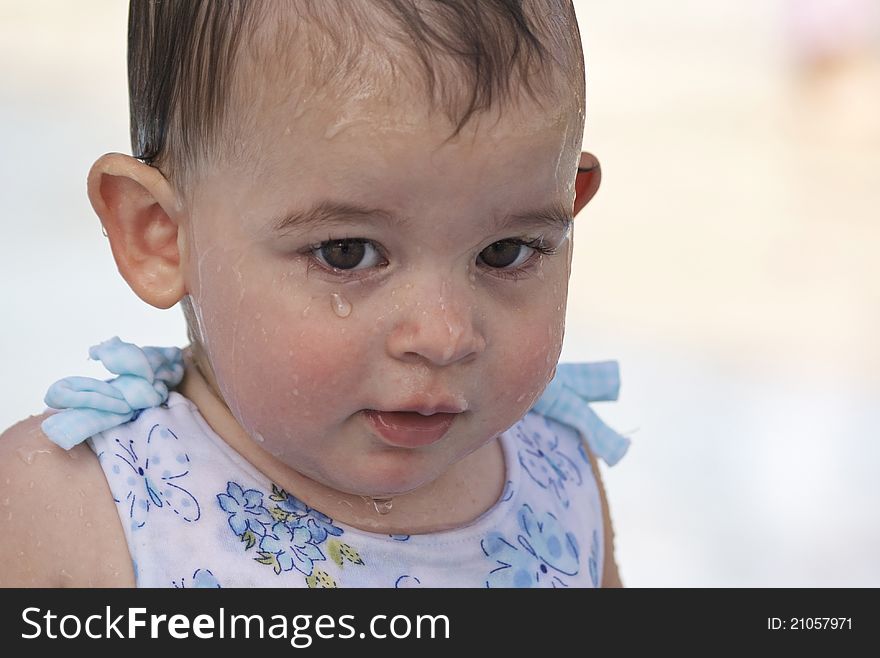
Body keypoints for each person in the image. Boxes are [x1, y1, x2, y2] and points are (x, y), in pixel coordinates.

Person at [0, 0, 629, 588]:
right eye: (347, 253)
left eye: (506, 251)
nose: (445, 337)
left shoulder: (559, 471)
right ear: (162, 236)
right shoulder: (74, 509)